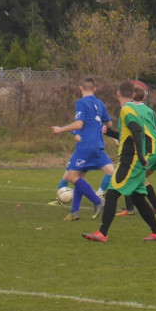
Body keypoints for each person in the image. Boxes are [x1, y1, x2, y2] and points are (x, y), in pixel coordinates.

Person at [83, 80, 156, 242]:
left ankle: (102, 233)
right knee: (137, 197)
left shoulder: (127, 109)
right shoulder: (135, 109)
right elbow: (130, 133)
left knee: (112, 192)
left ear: (117, 94)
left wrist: (140, 156)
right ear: (133, 95)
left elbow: (136, 129)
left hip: (131, 160)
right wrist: (112, 133)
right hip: (135, 159)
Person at [51, 76, 113, 221]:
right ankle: (75, 212)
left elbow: (79, 124)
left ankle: (98, 201)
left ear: (80, 89)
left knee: (72, 177)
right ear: (95, 89)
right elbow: (109, 124)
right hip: (98, 145)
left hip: (86, 145)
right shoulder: (100, 103)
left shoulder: (81, 102)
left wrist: (60, 129)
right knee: (79, 177)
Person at [118, 80, 156, 216]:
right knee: (140, 178)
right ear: (144, 97)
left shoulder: (133, 111)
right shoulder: (150, 110)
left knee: (130, 175)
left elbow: (134, 131)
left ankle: (129, 209)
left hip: (150, 149)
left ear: (132, 96)